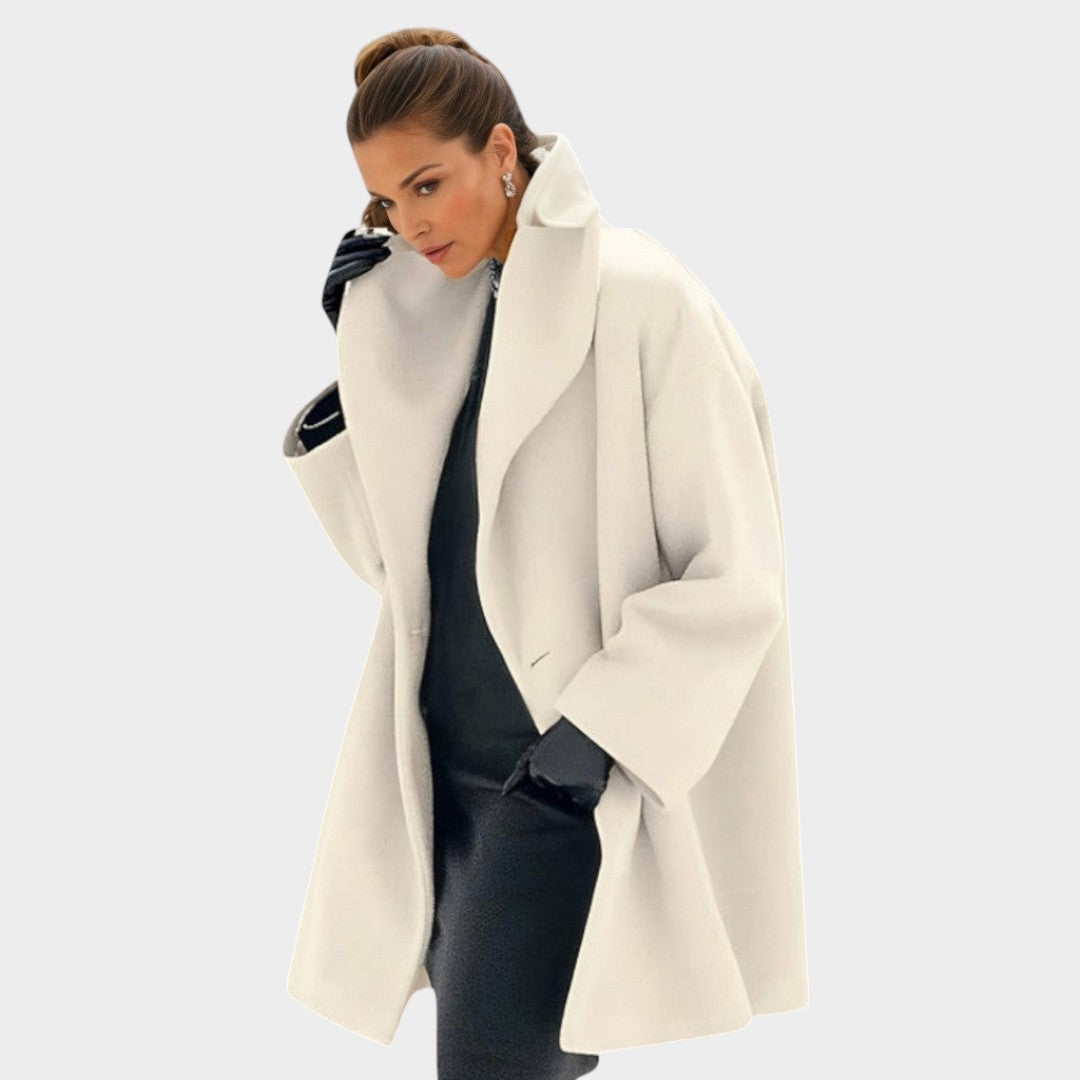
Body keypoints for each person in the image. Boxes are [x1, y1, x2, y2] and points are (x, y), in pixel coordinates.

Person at [282, 25, 808, 1080]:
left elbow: (737, 572)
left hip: (558, 783)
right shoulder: (442, 321)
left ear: (501, 152)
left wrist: (592, 740)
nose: (409, 223)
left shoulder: (643, 298)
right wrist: (363, 362)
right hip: (437, 770)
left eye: (427, 185)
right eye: (385, 203)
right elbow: (399, 572)